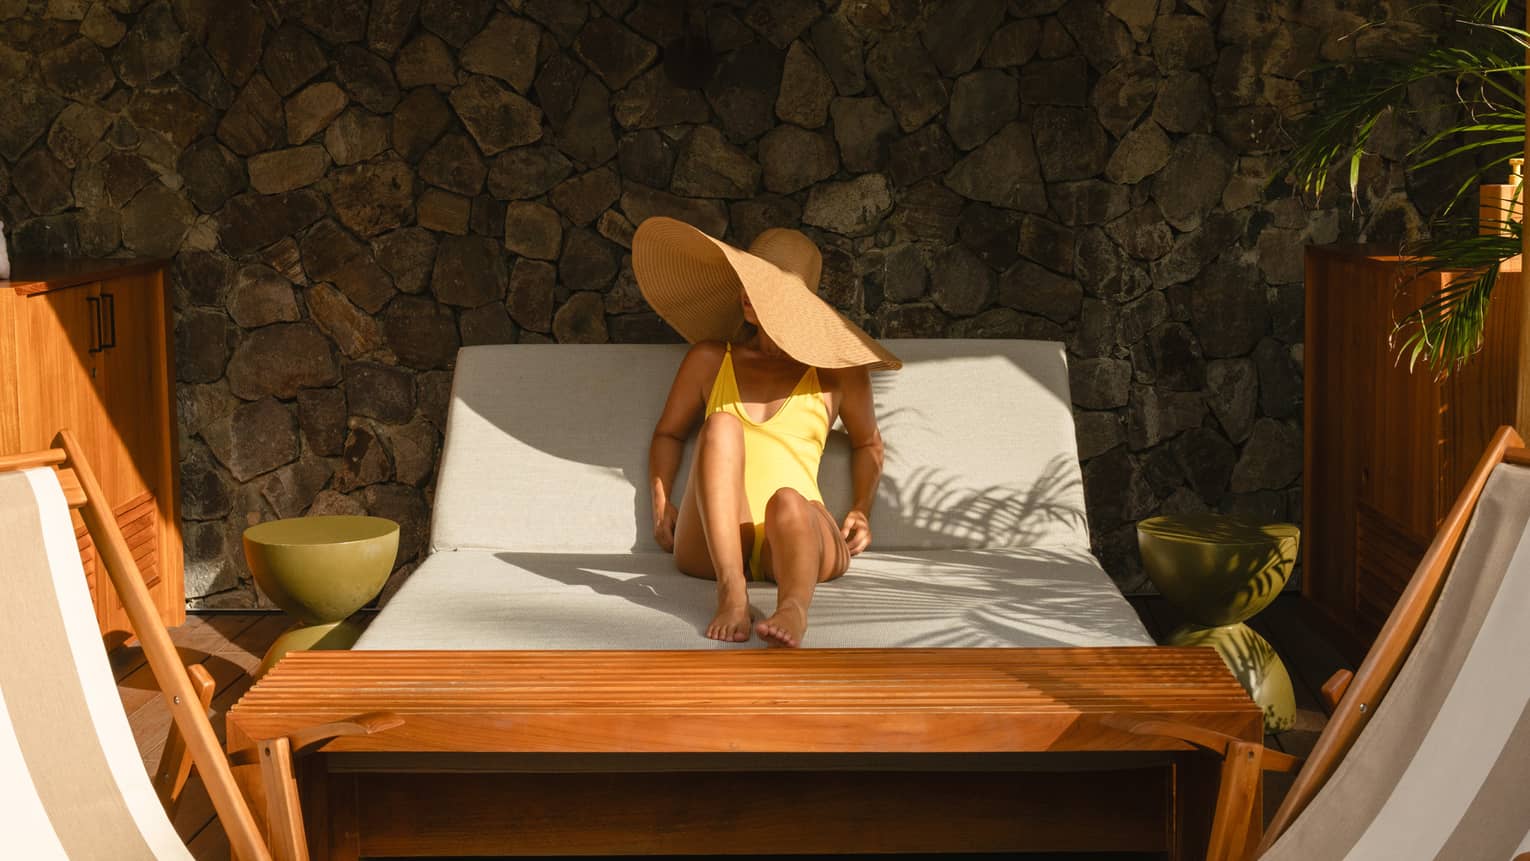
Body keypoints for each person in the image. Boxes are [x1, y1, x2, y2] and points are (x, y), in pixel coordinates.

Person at [632, 217, 901, 648]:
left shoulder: (840, 373)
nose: (745, 291)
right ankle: (732, 591)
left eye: (763, 285)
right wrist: (661, 500)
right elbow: (668, 434)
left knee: (788, 501)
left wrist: (861, 508)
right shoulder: (709, 359)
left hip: (796, 541)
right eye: (747, 278)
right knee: (721, 425)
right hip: (712, 543)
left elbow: (868, 443)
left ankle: (793, 608)